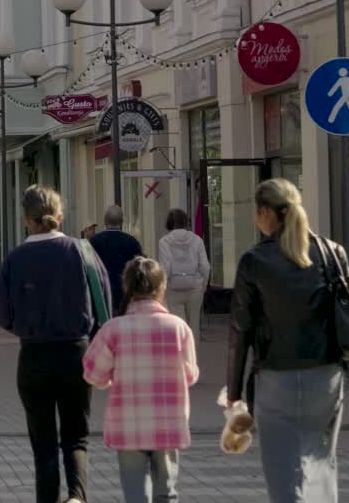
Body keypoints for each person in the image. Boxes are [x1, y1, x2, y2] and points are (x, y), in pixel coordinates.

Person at [227, 178, 349, 503]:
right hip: (326, 377)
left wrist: (234, 393)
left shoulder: (254, 261)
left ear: (264, 213)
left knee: (283, 473)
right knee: (321, 465)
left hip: (276, 380)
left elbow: (240, 330)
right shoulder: (332, 252)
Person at [0, 185, 111, 503]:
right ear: (60, 216)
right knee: (76, 438)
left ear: (25, 219)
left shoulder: (16, 258)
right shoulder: (83, 251)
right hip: (77, 352)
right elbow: (105, 304)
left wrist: (26, 326)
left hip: (33, 356)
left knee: (43, 443)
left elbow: (2, 314)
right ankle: (76, 496)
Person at [83, 257, 199, 503]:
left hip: (129, 424)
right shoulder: (179, 328)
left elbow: (93, 373)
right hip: (168, 422)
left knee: (135, 494)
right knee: (167, 492)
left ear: (127, 288)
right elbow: (189, 375)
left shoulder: (113, 330)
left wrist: (111, 381)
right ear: (162, 287)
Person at [157, 208, 211, 340]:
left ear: (169, 223)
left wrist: (162, 291)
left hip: (173, 290)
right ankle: (193, 357)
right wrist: (203, 286)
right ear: (186, 222)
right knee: (194, 327)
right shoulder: (197, 240)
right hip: (195, 288)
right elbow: (205, 267)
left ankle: (181, 356)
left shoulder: (164, 242)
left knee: (178, 327)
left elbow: (166, 268)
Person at [91, 205, 144, 314]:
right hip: (126, 298)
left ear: (105, 221)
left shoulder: (94, 242)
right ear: (122, 222)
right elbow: (140, 271)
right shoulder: (133, 243)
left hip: (101, 297)